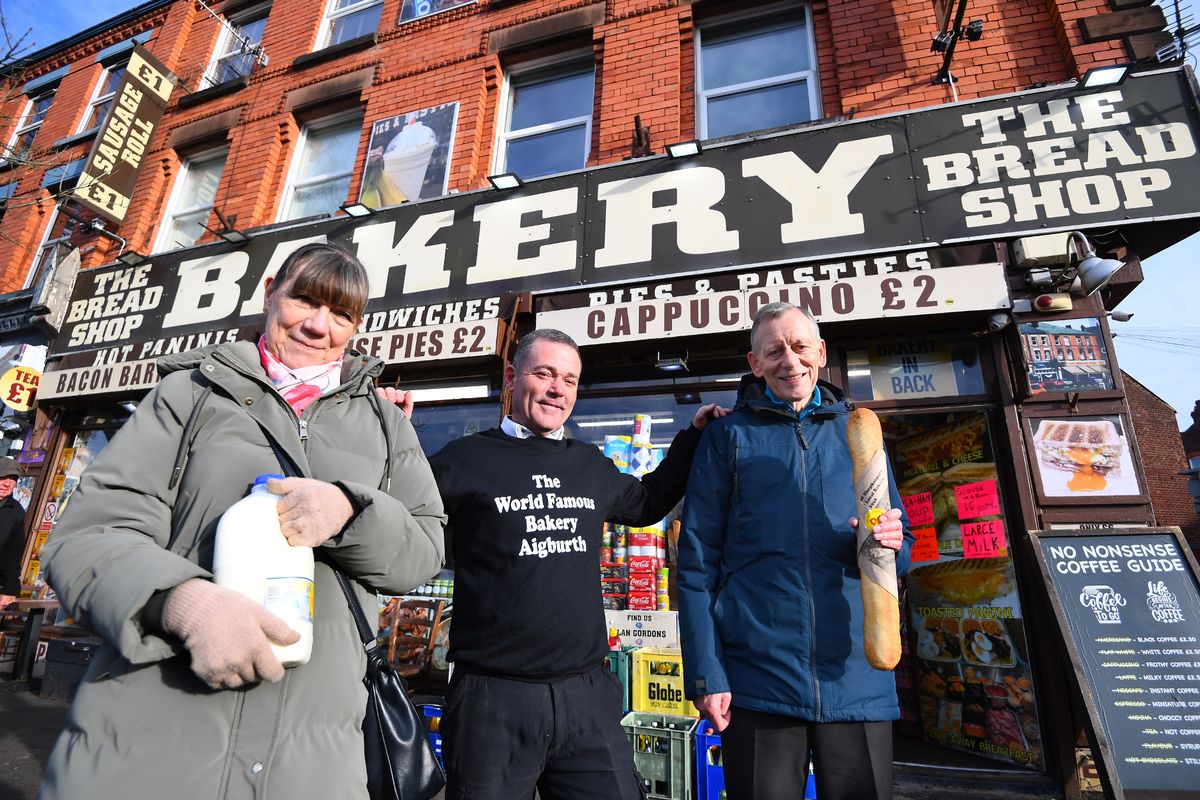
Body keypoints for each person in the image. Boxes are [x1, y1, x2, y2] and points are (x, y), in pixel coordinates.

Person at [38, 242, 446, 799]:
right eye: (305, 300)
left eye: (341, 314)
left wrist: (352, 513)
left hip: (311, 761)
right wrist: (181, 603)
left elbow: (425, 548)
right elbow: (88, 537)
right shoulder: (190, 395)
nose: (318, 326)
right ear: (271, 290)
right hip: (153, 737)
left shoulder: (386, 423)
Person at [427, 328, 728, 800]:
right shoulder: (461, 460)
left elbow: (648, 501)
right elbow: (402, 520)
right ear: (511, 377)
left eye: (569, 379)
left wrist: (690, 437)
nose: (557, 389)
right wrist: (391, 434)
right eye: (543, 373)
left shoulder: (589, 464)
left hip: (586, 694)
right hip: (493, 698)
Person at [677, 302, 913, 800]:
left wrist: (889, 545)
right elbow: (697, 567)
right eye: (775, 351)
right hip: (757, 679)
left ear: (821, 353)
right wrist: (707, 673)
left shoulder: (860, 433)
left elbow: (902, 548)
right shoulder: (726, 437)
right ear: (754, 363)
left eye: (801, 346)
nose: (791, 361)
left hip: (856, 676)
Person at [0, 457, 28, 609]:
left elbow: (12, 553)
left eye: (12, 479)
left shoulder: (15, 511)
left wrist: (10, 587)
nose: (7, 483)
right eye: (3, 477)